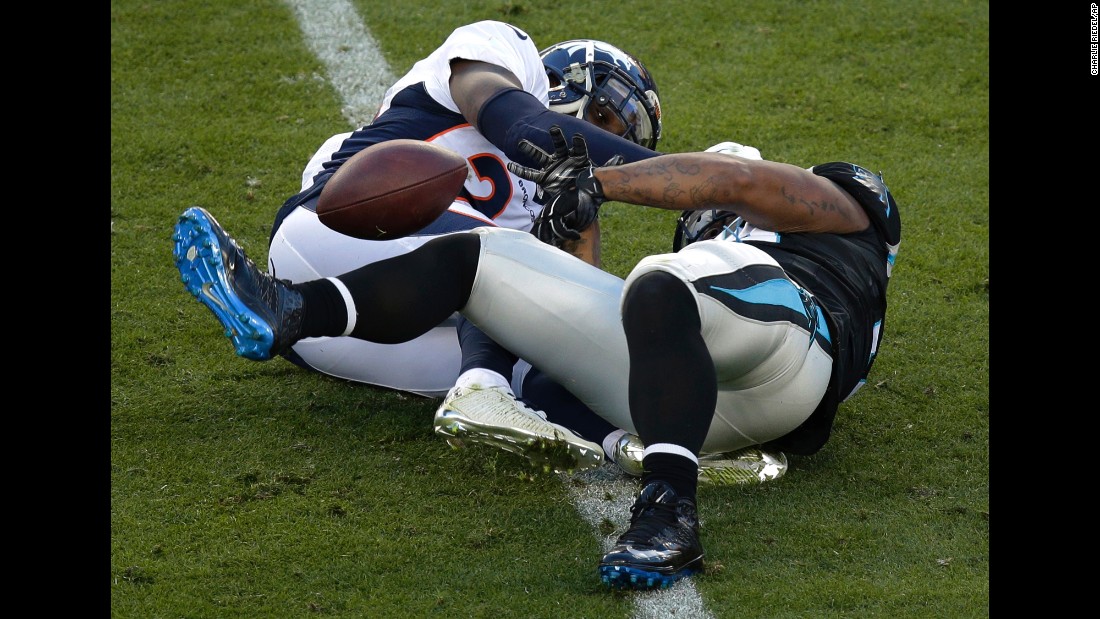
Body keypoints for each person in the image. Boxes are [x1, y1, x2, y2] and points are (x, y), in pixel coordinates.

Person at [172, 125, 901, 590]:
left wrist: (601, 182)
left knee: (657, 282)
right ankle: (290, 309)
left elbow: (738, 183)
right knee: (481, 257)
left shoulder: (842, 226)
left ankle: (669, 515)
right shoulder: (681, 303)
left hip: (797, 343)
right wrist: (573, 219)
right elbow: (576, 342)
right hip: (704, 406)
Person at [252, 21, 664, 471]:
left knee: (546, 351)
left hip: (339, 339)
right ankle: (481, 389)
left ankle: (643, 451)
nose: (606, 144)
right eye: (605, 119)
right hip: (336, 233)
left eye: (618, 139)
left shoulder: (564, 206)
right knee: (509, 262)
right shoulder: (505, 53)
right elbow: (521, 123)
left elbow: (572, 330)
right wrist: (680, 177)